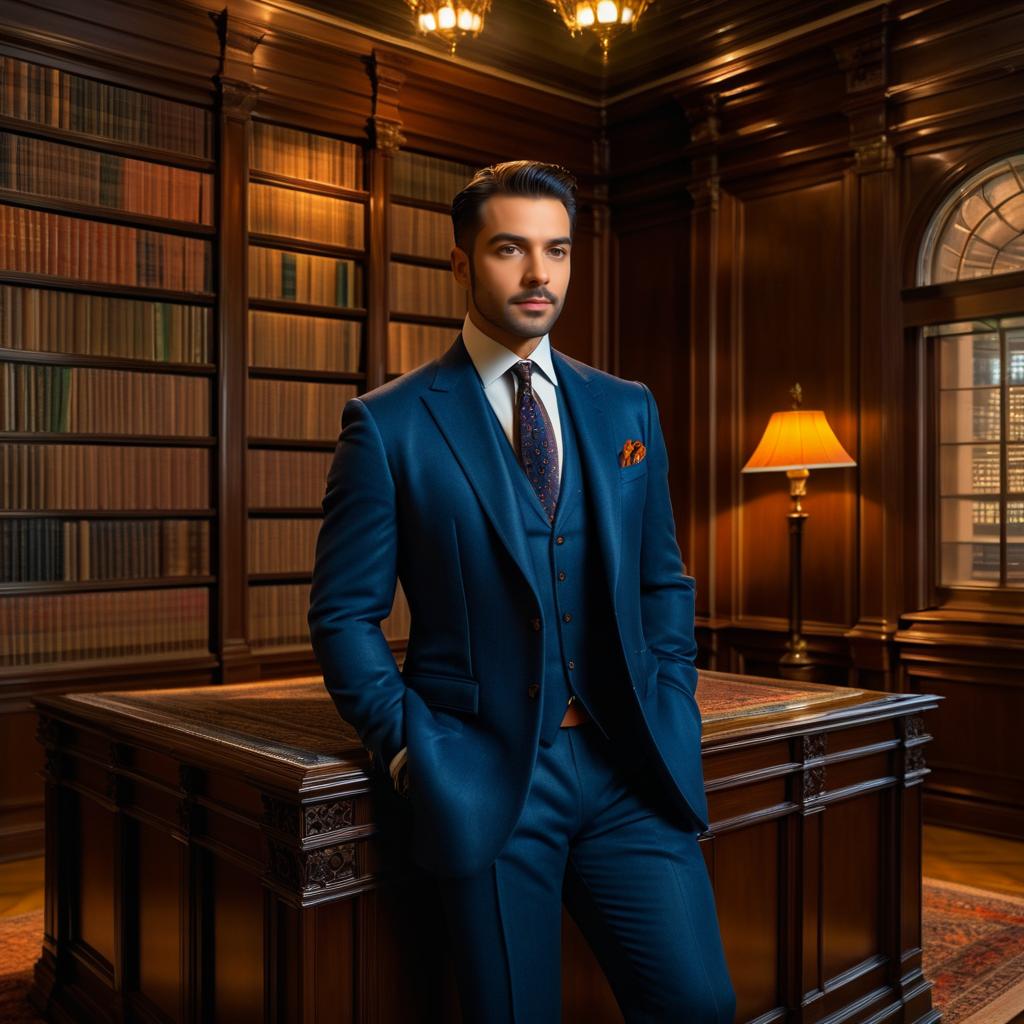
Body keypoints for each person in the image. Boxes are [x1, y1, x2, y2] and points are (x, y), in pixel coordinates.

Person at [308, 159, 736, 1023]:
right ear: (462, 263)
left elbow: (663, 578)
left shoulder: (627, 409)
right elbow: (344, 614)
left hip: (629, 769)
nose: (540, 275)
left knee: (700, 1005)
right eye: (511, 249)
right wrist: (408, 748)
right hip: (485, 777)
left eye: (558, 251)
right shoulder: (389, 424)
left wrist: (672, 696)